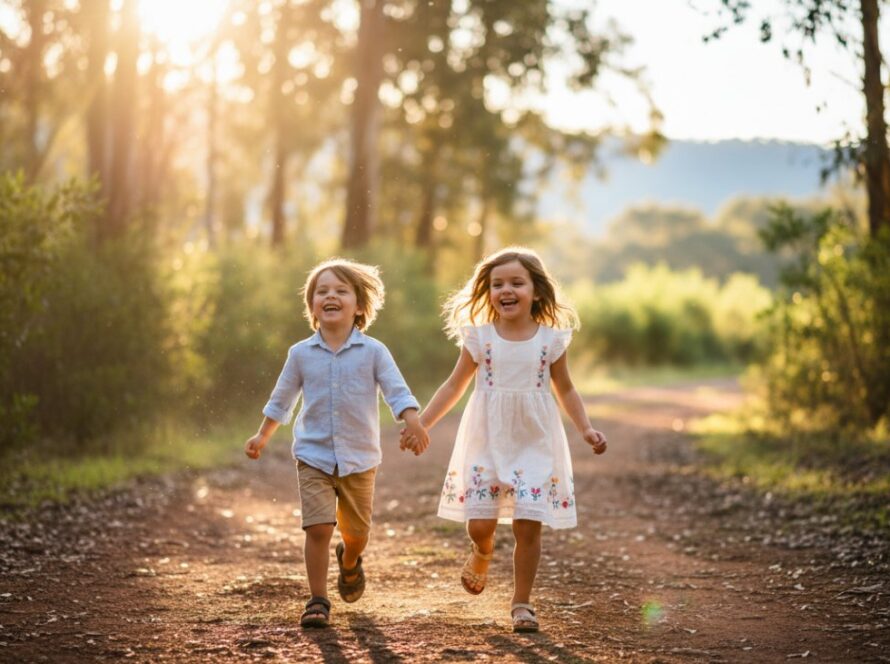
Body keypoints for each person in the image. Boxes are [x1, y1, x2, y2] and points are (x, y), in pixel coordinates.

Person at [401, 246, 607, 633]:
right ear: (488, 291)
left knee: (528, 525)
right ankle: (482, 550)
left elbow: (567, 390)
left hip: (534, 440)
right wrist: (422, 423)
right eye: (497, 284)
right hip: (487, 438)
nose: (505, 290)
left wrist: (586, 428)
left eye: (516, 282)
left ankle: (522, 603)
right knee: (480, 524)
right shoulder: (480, 338)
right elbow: (453, 385)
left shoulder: (550, 340)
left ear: (537, 291)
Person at [245, 258, 429, 629]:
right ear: (312, 305)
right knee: (318, 528)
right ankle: (317, 600)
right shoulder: (300, 354)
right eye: (322, 291)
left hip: (360, 459)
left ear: (359, 306)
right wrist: (262, 435)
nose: (331, 296)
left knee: (357, 535)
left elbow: (396, 390)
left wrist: (413, 422)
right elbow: (282, 399)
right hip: (313, 455)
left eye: (341, 291)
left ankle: (350, 561)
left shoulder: (374, 351)